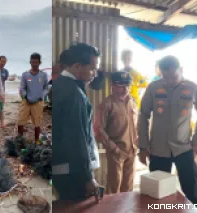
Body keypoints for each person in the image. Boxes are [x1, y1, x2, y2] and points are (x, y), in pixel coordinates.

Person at [138, 55, 197, 210]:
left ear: (181, 70)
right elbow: (143, 115)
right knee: (158, 193)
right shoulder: (153, 88)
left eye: (173, 77)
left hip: (184, 148)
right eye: (165, 77)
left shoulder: (193, 88)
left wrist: (196, 141)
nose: (169, 82)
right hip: (158, 149)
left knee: (191, 189)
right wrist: (143, 146)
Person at [52, 43, 101, 201]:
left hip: (62, 167)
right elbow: (77, 137)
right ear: (78, 66)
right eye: (92, 69)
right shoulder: (73, 93)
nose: (94, 74)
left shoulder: (60, 84)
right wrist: (87, 177)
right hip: (72, 172)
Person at [95, 71, 137, 194]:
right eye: (120, 85)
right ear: (113, 85)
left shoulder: (132, 102)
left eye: (127, 85)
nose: (125, 88)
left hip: (132, 150)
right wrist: (114, 149)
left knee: (128, 186)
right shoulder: (107, 104)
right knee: (114, 187)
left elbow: (136, 125)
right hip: (116, 152)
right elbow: (99, 129)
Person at [18, 53, 49, 144]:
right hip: (26, 102)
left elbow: (46, 88)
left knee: (37, 122)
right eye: (32, 62)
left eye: (36, 62)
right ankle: (20, 140)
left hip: (38, 102)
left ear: (40, 62)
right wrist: (25, 96)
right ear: (30, 62)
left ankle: (37, 141)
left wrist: (41, 96)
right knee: (20, 121)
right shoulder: (25, 75)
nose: (34, 64)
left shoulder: (43, 75)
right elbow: (22, 88)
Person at [0, 55, 9, 128]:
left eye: (4, 62)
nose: (3, 63)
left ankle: (2, 123)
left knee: (1, 108)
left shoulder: (5, 71)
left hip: (1, 92)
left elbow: (4, 80)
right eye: (2, 61)